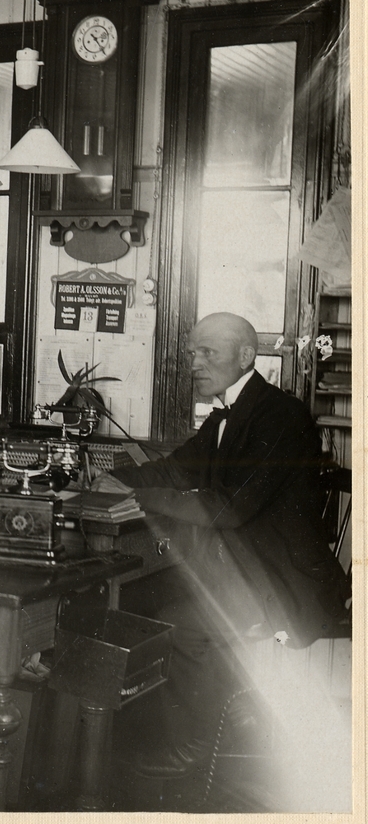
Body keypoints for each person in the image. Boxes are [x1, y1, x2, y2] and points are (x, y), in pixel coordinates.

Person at [93, 312, 349, 778]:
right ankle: (182, 725)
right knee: (136, 599)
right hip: (244, 570)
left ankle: (193, 746)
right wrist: (113, 478)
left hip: (283, 583)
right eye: (193, 352)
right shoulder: (228, 414)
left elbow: (230, 507)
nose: (194, 363)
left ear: (246, 356)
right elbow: (177, 468)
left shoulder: (281, 415)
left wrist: (140, 497)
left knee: (181, 622)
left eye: (207, 352)